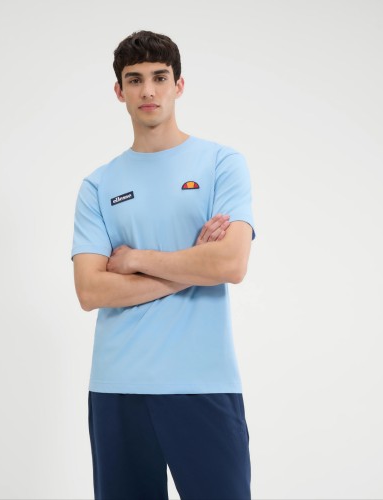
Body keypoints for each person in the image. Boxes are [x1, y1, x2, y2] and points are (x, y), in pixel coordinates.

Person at [71, 30, 256, 500]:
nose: (148, 90)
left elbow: (231, 262)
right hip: (118, 386)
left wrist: (134, 259)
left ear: (179, 85)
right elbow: (91, 291)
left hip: (203, 380)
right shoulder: (98, 185)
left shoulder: (221, 164)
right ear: (119, 91)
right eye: (135, 80)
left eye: (160, 77)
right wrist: (192, 267)